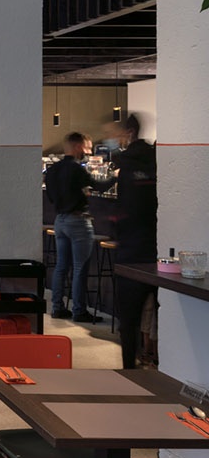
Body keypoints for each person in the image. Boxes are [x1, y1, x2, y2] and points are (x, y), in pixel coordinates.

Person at [107, 113, 158, 368]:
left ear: (128, 132)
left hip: (131, 252)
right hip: (159, 251)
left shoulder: (125, 164)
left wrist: (114, 224)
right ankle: (162, 365)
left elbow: (125, 209)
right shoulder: (156, 159)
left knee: (129, 321)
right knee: (167, 316)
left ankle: (130, 369)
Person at [44, 131, 110, 321]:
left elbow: (51, 197)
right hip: (78, 221)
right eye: (87, 148)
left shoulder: (53, 170)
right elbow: (100, 186)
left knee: (61, 267)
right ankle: (79, 311)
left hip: (60, 220)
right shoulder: (76, 169)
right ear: (78, 146)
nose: (88, 152)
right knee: (80, 268)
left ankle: (57, 308)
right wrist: (116, 176)